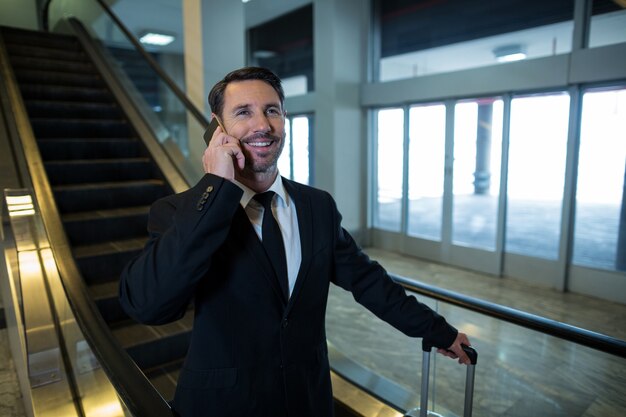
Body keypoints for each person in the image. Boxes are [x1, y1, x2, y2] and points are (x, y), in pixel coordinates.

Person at [119, 66, 471, 417]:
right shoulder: (179, 211)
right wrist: (215, 187)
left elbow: (368, 281)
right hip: (224, 406)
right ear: (217, 127)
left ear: (284, 119)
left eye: (272, 110)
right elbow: (150, 304)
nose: (262, 125)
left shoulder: (316, 206)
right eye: (243, 112)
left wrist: (437, 330)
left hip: (307, 400)